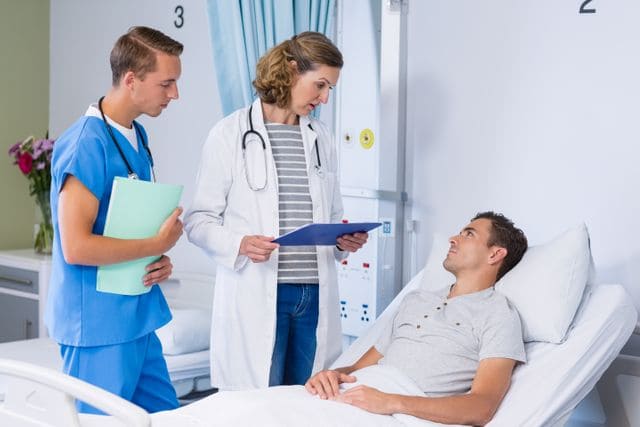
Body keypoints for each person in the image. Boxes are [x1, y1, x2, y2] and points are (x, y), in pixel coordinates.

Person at [185, 32, 368, 389]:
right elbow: (198, 221)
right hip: (259, 290)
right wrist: (239, 243)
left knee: (309, 399)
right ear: (291, 70)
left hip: (313, 294)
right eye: (320, 85)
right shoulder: (229, 134)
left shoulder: (321, 138)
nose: (324, 98)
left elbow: (333, 216)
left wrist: (342, 240)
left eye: (330, 89)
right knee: (259, 403)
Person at [46, 26, 184, 414]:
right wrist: (157, 244)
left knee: (168, 418)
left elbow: (125, 226)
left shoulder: (136, 135)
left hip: (137, 317)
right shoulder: (85, 143)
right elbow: (76, 247)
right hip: (98, 325)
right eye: (166, 83)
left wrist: (156, 260)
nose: (175, 94)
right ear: (131, 80)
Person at [305, 211, 528, 426]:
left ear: (495, 254)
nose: (453, 239)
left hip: (390, 410)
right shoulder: (416, 299)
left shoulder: (498, 314)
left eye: (469, 234)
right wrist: (331, 376)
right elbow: (358, 368)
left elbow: (481, 407)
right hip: (352, 394)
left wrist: (390, 402)